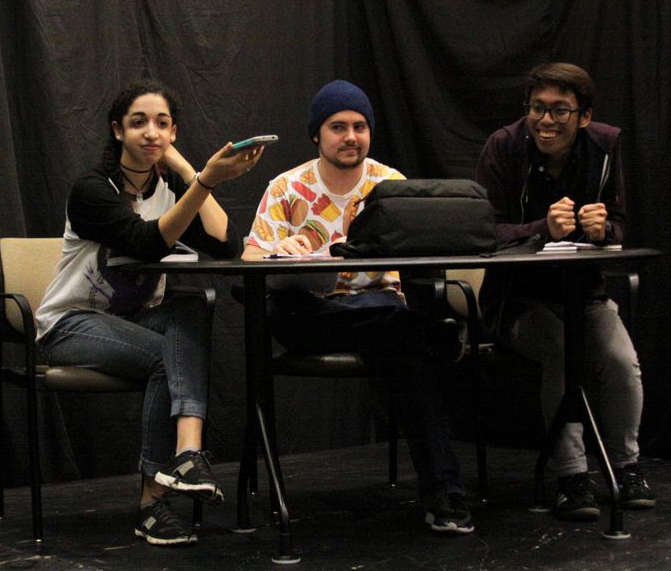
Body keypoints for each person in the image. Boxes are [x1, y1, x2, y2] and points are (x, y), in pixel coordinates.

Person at [35, 79, 261, 545]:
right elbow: (146, 242)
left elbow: (225, 244)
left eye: (162, 124)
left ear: (174, 132)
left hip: (131, 321)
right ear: (118, 130)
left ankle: (188, 454)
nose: (151, 133)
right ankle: (151, 506)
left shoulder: (171, 186)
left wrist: (188, 171)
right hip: (70, 324)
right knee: (164, 356)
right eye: (138, 123)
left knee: (191, 304)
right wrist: (204, 181)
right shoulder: (92, 190)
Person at [242, 79, 474, 534]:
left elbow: (423, 254)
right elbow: (249, 257)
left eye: (360, 126)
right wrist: (280, 251)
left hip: (378, 306)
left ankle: (445, 493)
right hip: (310, 313)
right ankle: (430, 335)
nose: (351, 136)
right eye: (338, 127)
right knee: (407, 332)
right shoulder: (287, 186)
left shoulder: (391, 185)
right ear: (317, 133)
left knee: (405, 344)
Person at [475, 62, 653, 520]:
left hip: (585, 295)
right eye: (537, 108)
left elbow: (620, 224)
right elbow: (483, 232)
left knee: (620, 360)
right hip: (517, 301)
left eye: (559, 110)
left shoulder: (605, 146)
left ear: (584, 116)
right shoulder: (503, 147)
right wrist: (541, 229)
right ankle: (571, 476)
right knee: (560, 350)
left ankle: (626, 467)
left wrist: (603, 230)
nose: (545, 121)